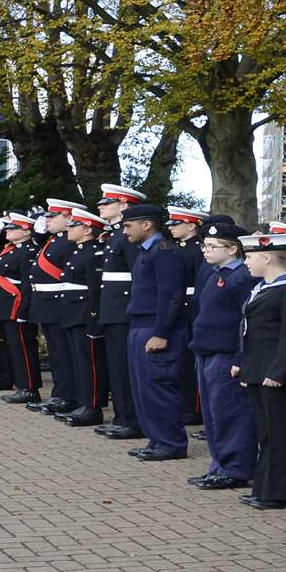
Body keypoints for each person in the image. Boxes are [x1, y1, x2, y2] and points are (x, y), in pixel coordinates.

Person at [233, 226, 286, 509]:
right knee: (268, 434)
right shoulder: (264, 287)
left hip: (280, 375)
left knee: (283, 435)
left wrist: (279, 372)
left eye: (250, 256)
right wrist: (245, 367)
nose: (246, 261)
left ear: (268, 258)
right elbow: (252, 333)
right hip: (260, 370)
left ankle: (283, 491)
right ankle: (267, 487)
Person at [188, 220, 258, 490]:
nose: (205, 250)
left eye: (212, 246)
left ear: (232, 249)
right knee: (213, 415)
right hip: (207, 350)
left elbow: (245, 321)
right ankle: (219, 465)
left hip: (226, 354)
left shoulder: (243, 277)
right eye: (204, 245)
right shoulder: (216, 273)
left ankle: (235, 468)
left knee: (230, 414)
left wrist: (241, 358)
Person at [119, 203, 190, 461]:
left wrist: (161, 332)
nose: (125, 231)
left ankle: (171, 442)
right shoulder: (147, 251)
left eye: (128, 226)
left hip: (155, 327)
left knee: (159, 387)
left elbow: (170, 296)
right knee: (143, 388)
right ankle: (157, 438)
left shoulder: (164, 252)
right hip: (141, 325)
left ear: (146, 224)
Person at [93, 185, 147, 440]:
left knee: (125, 368)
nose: (101, 206)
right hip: (114, 308)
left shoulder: (127, 235)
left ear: (124, 205)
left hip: (124, 310)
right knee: (116, 367)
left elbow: (139, 274)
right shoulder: (116, 234)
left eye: (108, 202)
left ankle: (132, 420)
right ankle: (122, 416)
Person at [26, 200, 86, 416]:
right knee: (57, 354)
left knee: (64, 354)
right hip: (47, 303)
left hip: (60, 303)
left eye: (53, 217)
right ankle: (60, 393)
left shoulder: (69, 242)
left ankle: (68, 395)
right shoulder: (55, 240)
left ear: (69, 217)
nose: (48, 220)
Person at [50, 208, 105, 425]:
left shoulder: (94, 252)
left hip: (84, 314)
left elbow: (94, 291)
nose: (69, 229)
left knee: (89, 362)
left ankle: (92, 407)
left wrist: (93, 318)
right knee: (77, 361)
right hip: (72, 312)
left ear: (87, 229)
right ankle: (83, 401)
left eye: (74, 226)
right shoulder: (78, 250)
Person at [0, 213, 41, 401]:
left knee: (23, 348)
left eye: (13, 228)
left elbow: (28, 285)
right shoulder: (11, 249)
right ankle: (16, 382)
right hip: (4, 304)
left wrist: (24, 309)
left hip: (16, 305)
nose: (7, 231)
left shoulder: (28, 251)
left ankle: (29, 388)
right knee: (10, 347)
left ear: (26, 231)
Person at [168, 209, 208, 427]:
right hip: (180, 306)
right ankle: (186, 404)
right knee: (182, 360)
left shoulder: (198, 250)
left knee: (192, 360)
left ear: (192, 225)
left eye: (176, 223)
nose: (171, 227)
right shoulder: (176, 248)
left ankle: (194, 407)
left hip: (192, 307)